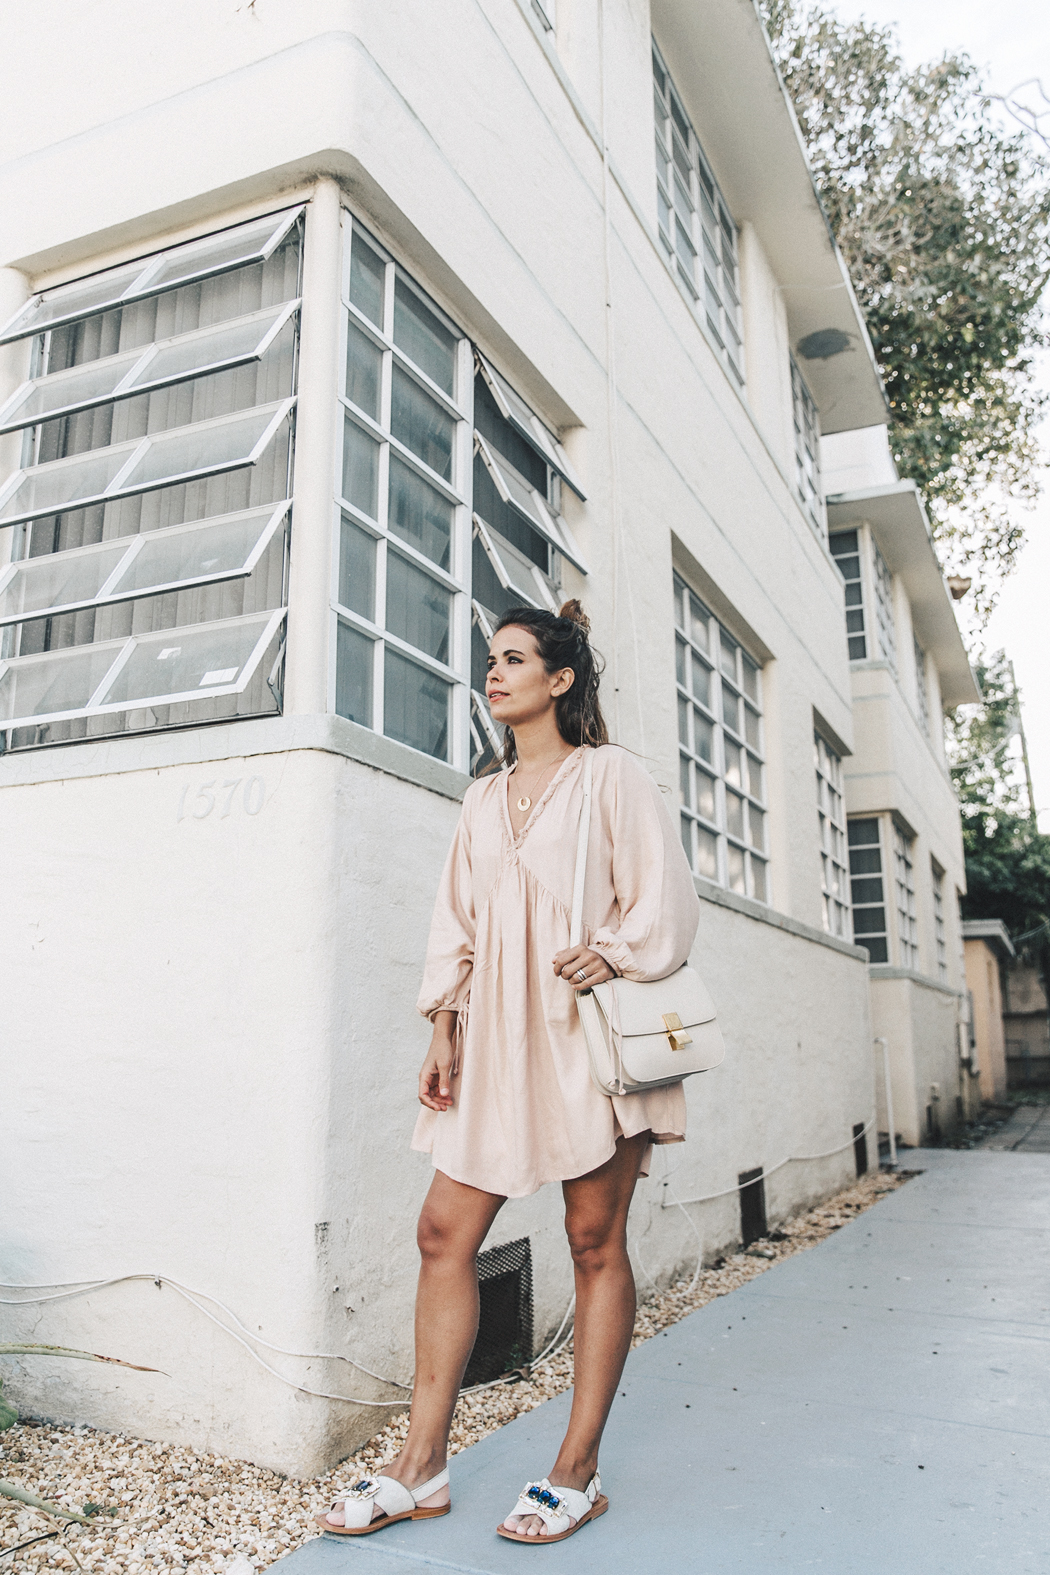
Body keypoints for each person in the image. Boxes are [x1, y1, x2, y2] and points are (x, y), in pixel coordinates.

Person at [316, 600, 700, 1543]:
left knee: (592, 1237)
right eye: (490, 660)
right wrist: (443, 1021)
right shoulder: (483, 797)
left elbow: (667, 898)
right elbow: (459, 919)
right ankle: (422, 1467)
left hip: (589, 1037)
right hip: (493, 1038)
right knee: (444, 1229)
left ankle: (576, 1469)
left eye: (514, 659)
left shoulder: (611, 777)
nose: (494, 673)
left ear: (560, 680)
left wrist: (612, 950)